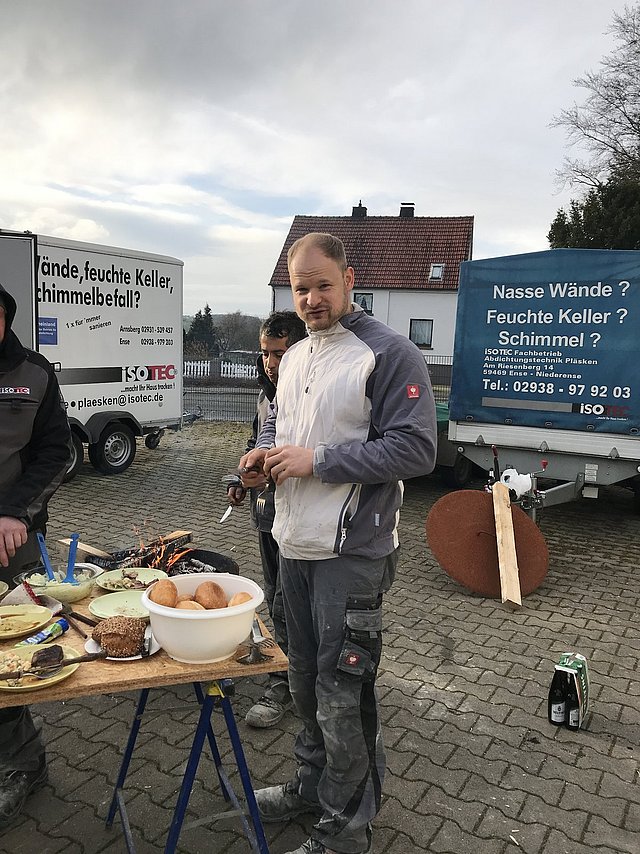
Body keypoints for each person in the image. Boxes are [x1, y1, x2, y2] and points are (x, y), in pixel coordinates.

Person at [240, 233, 437, 854]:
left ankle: (345, 830)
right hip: (293, 543)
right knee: (302, 680)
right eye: (301, 289)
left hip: (353, 553)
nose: (312, 299)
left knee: (342, 694)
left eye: (323, 285)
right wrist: (257, 465)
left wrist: (316, 460)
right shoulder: (296, 358)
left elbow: (416, 449)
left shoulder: (389, 353)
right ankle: (311, 786)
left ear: (350, 279)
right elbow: (288, 443)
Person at [0, 283, 71, 829]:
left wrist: (16, 513)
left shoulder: (35, 374)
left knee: (8, 655)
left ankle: (22, 763)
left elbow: (57, 452)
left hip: (9, 537)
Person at [227, 310, 307, 727]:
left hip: (298, 522)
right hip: (265, 515)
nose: (270, 363)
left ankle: (286, 685)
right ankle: (281, 668)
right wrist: (240, 477)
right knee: (274, 595)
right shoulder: (266, 394)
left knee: (287, 605)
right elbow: (257, 441)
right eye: (264, 353)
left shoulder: (308, 394)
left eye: (278, 353)